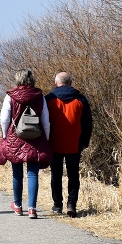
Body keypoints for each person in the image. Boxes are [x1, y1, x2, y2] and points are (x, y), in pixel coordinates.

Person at [0, 69, 52, 218]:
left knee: (17, 172)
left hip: (15, 137)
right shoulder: (39, 96)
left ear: (17, 80)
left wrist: (4, 135)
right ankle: (32, 208)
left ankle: (18, 205)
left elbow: (4, 119)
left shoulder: (10, 96)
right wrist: (46, 139)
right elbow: (46, 120)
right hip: (36, 137)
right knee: (33, 173)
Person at [45, 71, 93, 217]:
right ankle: (71, 204)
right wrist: (85, 141)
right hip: (74, 143)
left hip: (54, 143)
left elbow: (43, 122)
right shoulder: (81, 99)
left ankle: (57, 205)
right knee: (73, 175)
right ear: (71, 83)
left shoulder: (49, 99)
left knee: (56, 174)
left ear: (56, 83)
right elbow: (88, 123)